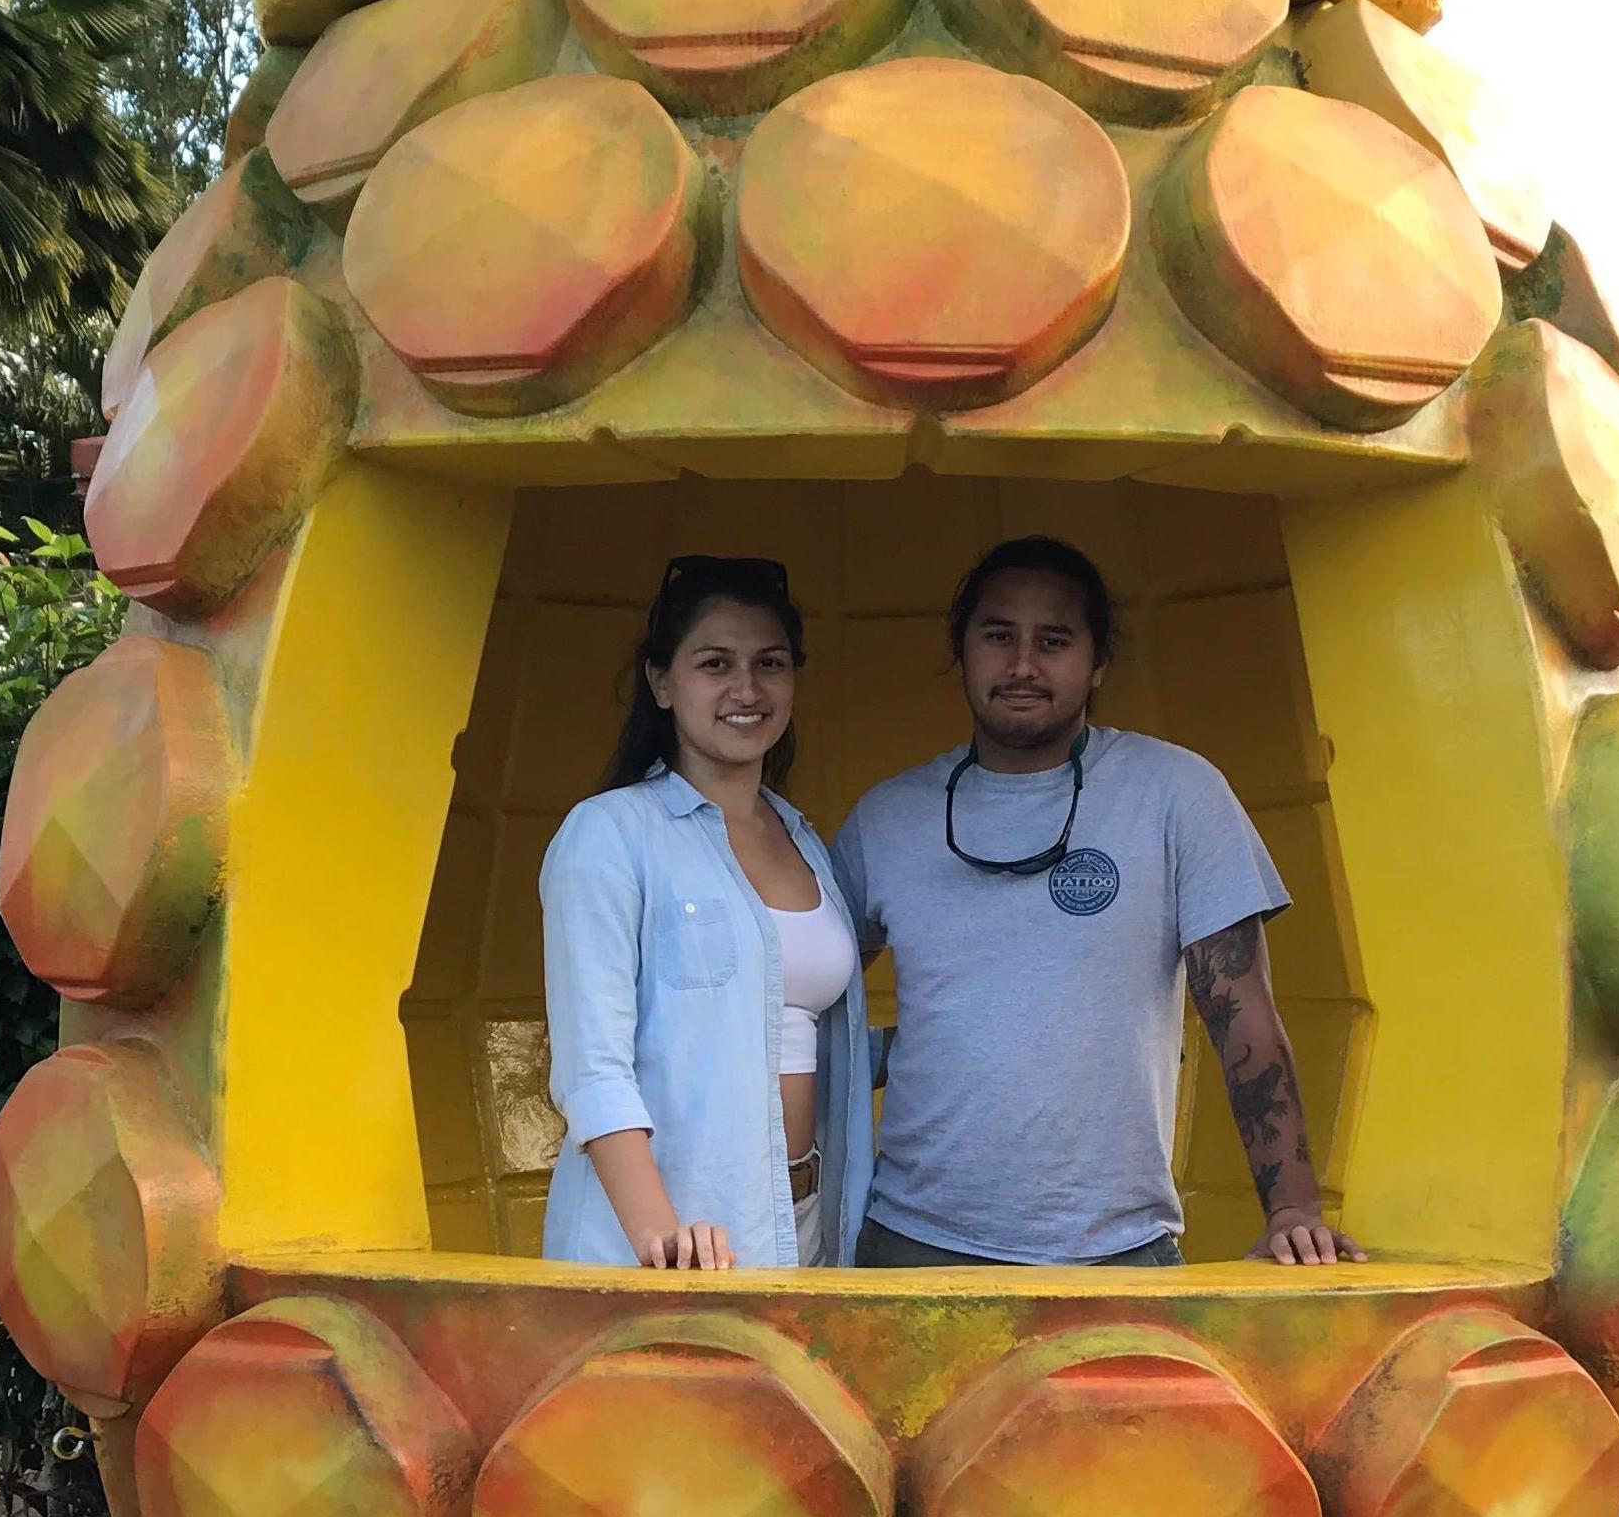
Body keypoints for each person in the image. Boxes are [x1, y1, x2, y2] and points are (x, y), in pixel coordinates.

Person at [830, 535, 1362, 1270]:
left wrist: (1293, 1210)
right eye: (997, 637)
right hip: (911, 1247)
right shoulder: (887, 818)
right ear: (962, 651)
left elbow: (1243, 1014)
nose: (1022, 665)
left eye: (1053, 641)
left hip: (1117, 1254)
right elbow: (807, 1007)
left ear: (1098, 661)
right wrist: (919, 1046)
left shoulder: (1177, 794)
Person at [538, 554, 871, 1271]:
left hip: (805, 1217)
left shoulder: (805, 839)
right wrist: (664, 1243)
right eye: (715, 664)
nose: (746, 689)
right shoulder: (609, 834)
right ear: (662, 681)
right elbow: (592, 1068)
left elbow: (795, 1031)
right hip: (677, 1241)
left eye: (770, 664)